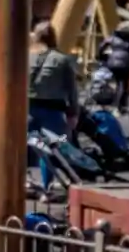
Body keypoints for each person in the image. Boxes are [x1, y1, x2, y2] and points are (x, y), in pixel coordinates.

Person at [28, 21, 81, 188]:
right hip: (53, 110)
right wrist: (73, 113)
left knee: (21, 148)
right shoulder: (62, 60)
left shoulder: (25, 57)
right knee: (50, 149)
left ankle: (20, 183)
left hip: (26, 108)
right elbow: (72, 89)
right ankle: (46, 186)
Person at [98, 22, 129, 111]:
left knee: (118, 82)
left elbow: (102, 46)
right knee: (122, 83)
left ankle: (120, 102)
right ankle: (119, 103)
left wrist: (102, 57)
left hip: (112, 62)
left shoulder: (113, 37)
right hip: (125, 64)